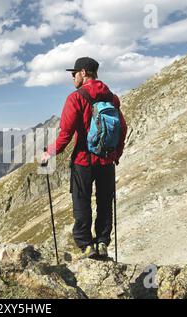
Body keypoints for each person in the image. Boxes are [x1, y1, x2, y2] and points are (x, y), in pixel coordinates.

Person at [41, 57, 127, 259]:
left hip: (83, 160)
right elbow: (122, 127)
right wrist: (117, 153)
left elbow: (65, 134)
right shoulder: (112, 98)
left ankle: (86, 245)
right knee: (105, 201)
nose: (72, 78)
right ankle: (103, 242)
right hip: (106, 159)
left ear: (83, 73)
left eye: (73, 74)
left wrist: (49, 152)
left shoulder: (76, 98)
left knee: (82, 200)